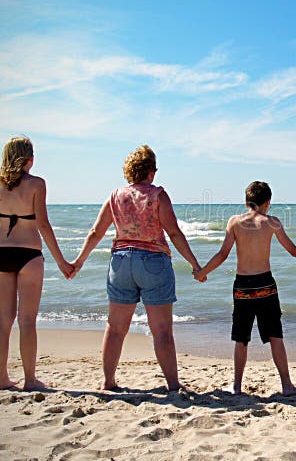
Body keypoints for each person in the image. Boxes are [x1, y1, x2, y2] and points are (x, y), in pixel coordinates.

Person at [71, 145, 205, 392]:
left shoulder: (115, 196)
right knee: (162, 330)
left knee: (115, 328)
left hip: (120, 261)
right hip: (153, 260)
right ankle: (173, 384)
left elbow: (96, 232)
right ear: (152, 172)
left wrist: (78, 262)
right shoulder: (158, 195)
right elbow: (173, 232)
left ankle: (109, 382)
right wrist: (195, 264)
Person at [196, 181, 296, 396]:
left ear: (246, 202)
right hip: (266, 286)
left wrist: (203, 271)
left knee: (241, 338)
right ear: (268, 203)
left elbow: (222, 254)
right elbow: (294, 251)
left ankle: (236, 386)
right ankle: (287, 385)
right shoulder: (272, 223)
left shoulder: (234, 222)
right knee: (275, 336)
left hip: (243, 286)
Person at [0, 136, 73, 390]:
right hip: (29, 254)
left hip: (1, 255)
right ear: (28, 158)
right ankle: (29, 380)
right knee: (27, 321)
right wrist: (61, 262)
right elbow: (43, 225)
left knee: (3, 319)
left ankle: (2, 380)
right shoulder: (37, 184)